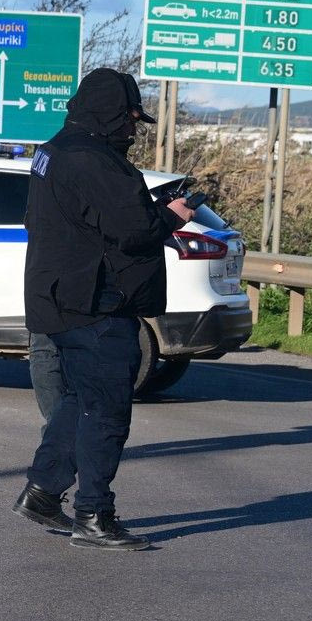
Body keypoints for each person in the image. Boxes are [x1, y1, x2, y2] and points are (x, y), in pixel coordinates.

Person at [14, 68, 195, 551]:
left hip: (64, 297)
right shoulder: (95, 160)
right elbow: (133, 231)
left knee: (80, 399)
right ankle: (94, 515)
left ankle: (43, 492)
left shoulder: (56, 149)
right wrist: (171, 215)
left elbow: (97, 217)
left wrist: (148, 204)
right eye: (131, 118)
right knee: (106, 410)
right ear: (111, 112)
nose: (134, 129)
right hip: (94, 301)